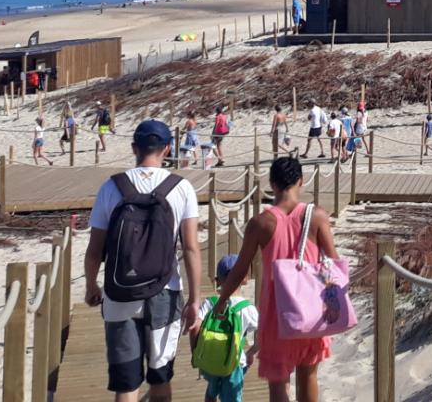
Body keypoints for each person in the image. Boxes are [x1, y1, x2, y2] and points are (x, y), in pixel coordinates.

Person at [84, 120, 203, 402]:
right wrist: (195, 300)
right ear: (167, 148)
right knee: (160, 377)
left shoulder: (111, 187)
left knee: (126, 383)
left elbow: (94, 249)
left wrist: (91, 285)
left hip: (120, 291)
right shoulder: (181, 187)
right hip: (165, 289)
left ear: (134, 148)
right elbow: (190, 248)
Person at [210, 156, 336, 402]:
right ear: (300, 181)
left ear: (271, 184)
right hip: (310, 307)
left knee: (278, 380)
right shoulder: (317, 216)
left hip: (276, 310)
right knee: (308, 373)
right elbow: (333, 261)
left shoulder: (260, 222)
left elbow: (239, 270)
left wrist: (222, 300)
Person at [193, 254, 259, 402]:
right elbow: (264, 333)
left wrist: (195, 351)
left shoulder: (210, 303)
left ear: (217, 280)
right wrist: (252, 351)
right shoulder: (247, 309)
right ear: (245, 279)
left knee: (211, 391)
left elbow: (196, 325)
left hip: (210, 359)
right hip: (235, 363)